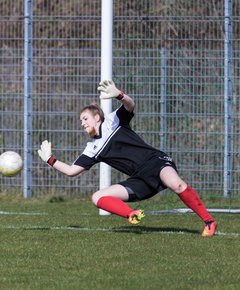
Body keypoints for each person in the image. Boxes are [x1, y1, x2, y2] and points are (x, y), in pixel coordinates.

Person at [38, 80, 217, 237]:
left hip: (155, 161)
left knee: (176, 184)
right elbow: (71, 171)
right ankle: (132, 214)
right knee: (97, 197)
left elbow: (130, 105)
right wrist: (50, 160)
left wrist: (120, 95)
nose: (82, 123)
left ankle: (209, 222)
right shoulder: (92, 148)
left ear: (97, 117)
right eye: (81, 121)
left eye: (85, 118)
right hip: (140, 179)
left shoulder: (113, 121)